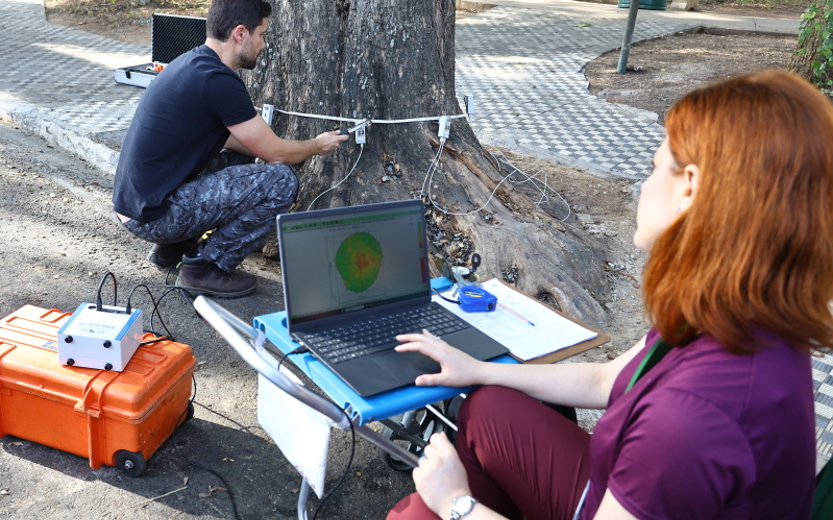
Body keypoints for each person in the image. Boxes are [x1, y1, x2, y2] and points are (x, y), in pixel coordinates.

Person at [387, 70, 833, 520]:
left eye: (654, 167)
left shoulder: (689, 420)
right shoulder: (740, 310)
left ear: (691, 188)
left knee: (416, 514)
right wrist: (477, 369)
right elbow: (606, 380)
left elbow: (674, 428)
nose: (644, 184)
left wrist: (457, 504)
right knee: (487, 406)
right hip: (614, 488)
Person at [112, 0, 348, 298]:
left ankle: (174, 248)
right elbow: (275, 154)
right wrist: (316, 145)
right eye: (261, 34)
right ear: (240, 33)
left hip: (137, 206)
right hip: (154, 216)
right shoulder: (218, 82)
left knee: (244, 155)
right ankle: (203, 268)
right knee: (283, 181)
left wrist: (266, 147)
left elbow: (241, 143)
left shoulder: (191, 63)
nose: (263, 44)